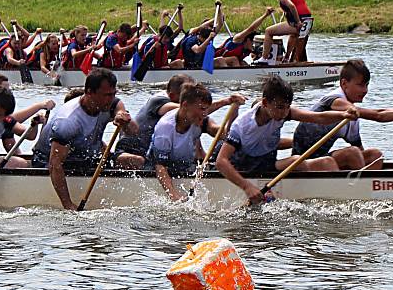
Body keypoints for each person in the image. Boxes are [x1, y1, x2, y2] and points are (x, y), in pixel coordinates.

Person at [216, 76, 358, 205]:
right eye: (280, 107)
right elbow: (221, 161)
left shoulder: (283, 112)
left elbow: (317, 117)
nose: (284, 113)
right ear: (265, 103)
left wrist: (343, 114)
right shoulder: (242, 125)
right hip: (242, 168)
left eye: (287, 107)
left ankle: (338, 197)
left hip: (266, 163)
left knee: (323, 162)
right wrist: (246, 186)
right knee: (297, 161)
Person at [33, 68, 138, 210]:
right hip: (47, 161)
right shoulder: (68, 121)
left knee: (136, 161)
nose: (110, 99)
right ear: (89, 92)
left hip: (84, 156)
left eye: (113, 94)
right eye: (106, 95)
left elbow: (134, 131)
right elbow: (55, 164)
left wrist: (124, 119)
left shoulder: (112, 104)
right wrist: (68, 204)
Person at [114, 74, 244, 169]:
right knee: (140, 161)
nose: (193, 95)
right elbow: (186, 109)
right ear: (173, 96)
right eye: (187, 92)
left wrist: (235, 113)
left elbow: (222, 133)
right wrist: (226, 101)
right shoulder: (159, 101)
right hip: (133, 152)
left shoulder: (195, 113)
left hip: (162, 155)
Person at [292, 59, 393, 170]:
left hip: (323, 160)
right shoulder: (333, 99)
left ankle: (367, 183)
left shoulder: (353, 120)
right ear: (344, 84)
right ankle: (360, 185)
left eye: (366, 85)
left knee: (375, 156)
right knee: (352, 153)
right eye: (360, 85)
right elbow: (378, 115)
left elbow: (360, 151)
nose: (365, 90)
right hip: (300, 164)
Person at [148, 83, 230, 201]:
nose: (205, 113)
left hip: (187, 165)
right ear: (185, 105)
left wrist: (231, 106)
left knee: (226, 146)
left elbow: (221, 133)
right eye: (202, 109)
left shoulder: (196, 118)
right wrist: (174, 195)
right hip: (162, 167)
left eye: (206, 109)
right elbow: (160, 168)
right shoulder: (165, 128)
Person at [261, 0, 313, 64]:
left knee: (268, 31)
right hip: (308, 22)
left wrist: (298, 21)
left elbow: (292, 6)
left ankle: (264, 59)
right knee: (293, 35)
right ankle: (287, 58)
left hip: (299, 23)